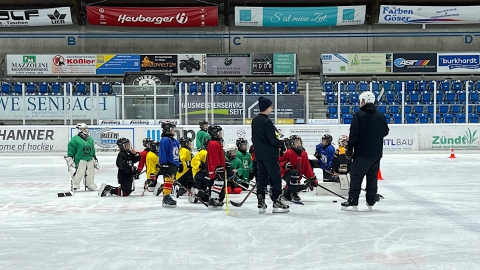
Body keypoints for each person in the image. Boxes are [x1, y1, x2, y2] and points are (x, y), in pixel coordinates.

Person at [342, 91, 389, 211]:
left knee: (356, 177)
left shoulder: (359, 115)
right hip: (376, 153)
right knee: (372, 177)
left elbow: (354, 133)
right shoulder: (380, 115)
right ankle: (371, 201)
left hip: (362, 153)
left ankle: (353, 201)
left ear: (364, 101)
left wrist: (350, 148)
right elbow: (385, 131)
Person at [251, 96, 289, 214]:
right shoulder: (267, 121)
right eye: (270, 106)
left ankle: (260, 200)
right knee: (275, 178)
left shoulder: (255, 120)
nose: (272, 108)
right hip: (270, 155)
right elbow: (273, 140)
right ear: (266, 108)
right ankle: (276, 201)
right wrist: (281, 143)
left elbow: (254, 138)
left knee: (262, 178)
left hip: (260, 155)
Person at [279, 135, 317, 203]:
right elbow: (280, 161)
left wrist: (312, 177)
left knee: (291, 191)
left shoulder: (304, 154)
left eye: (299, 141)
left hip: (297, 176)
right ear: (292, 144)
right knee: (294, 173)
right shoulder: (288, 152)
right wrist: (285, 165)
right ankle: (294, 194)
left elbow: (306, 167)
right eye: (296, 142)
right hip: (286, 174)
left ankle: (287, 191)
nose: (299, 143)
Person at [67, 123, 98, 191]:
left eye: (86, 129)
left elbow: (92, 149)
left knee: (90, 172)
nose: (85, 130)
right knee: (79, 172)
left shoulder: (90, 139)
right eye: (83, 129)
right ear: (79, 130)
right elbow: (71, 149)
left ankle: (90, 184)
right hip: (80, 159)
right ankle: (75, 184)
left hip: (89, 158)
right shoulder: (75, 139)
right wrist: (70, 158)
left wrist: (94, 157)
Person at [158, 121, 180, 208]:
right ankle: (166, 197)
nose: (174, 131)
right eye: (172, 129)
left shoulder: (175, 141)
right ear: (167, 129)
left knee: (170, 181)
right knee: (168, 180)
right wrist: (163, 164)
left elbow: (177, 153)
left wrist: (179, 162)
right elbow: (163, 153)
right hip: (168, 164)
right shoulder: (165, 140)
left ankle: (167, 196)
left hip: (174, 164)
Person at [206, 125, 227, 210]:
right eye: (219, 132)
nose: (221, 134)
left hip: (217, 167)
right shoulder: (214, 144)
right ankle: (213, 199)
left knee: (219, 183)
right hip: (215, 168)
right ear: (215, 133)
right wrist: (217, 167)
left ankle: (215, 198)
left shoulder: (216, 143)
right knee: (218, 183)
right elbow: (214, 157)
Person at [190, 138, 210, 203]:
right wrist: (200, 165)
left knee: (205, 198)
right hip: (198, 173)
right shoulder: (203, 152)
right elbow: (193, 161)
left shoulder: (211, 153)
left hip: (203, 174)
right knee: (209, 176)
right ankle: (195, 191)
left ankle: (197, 192)